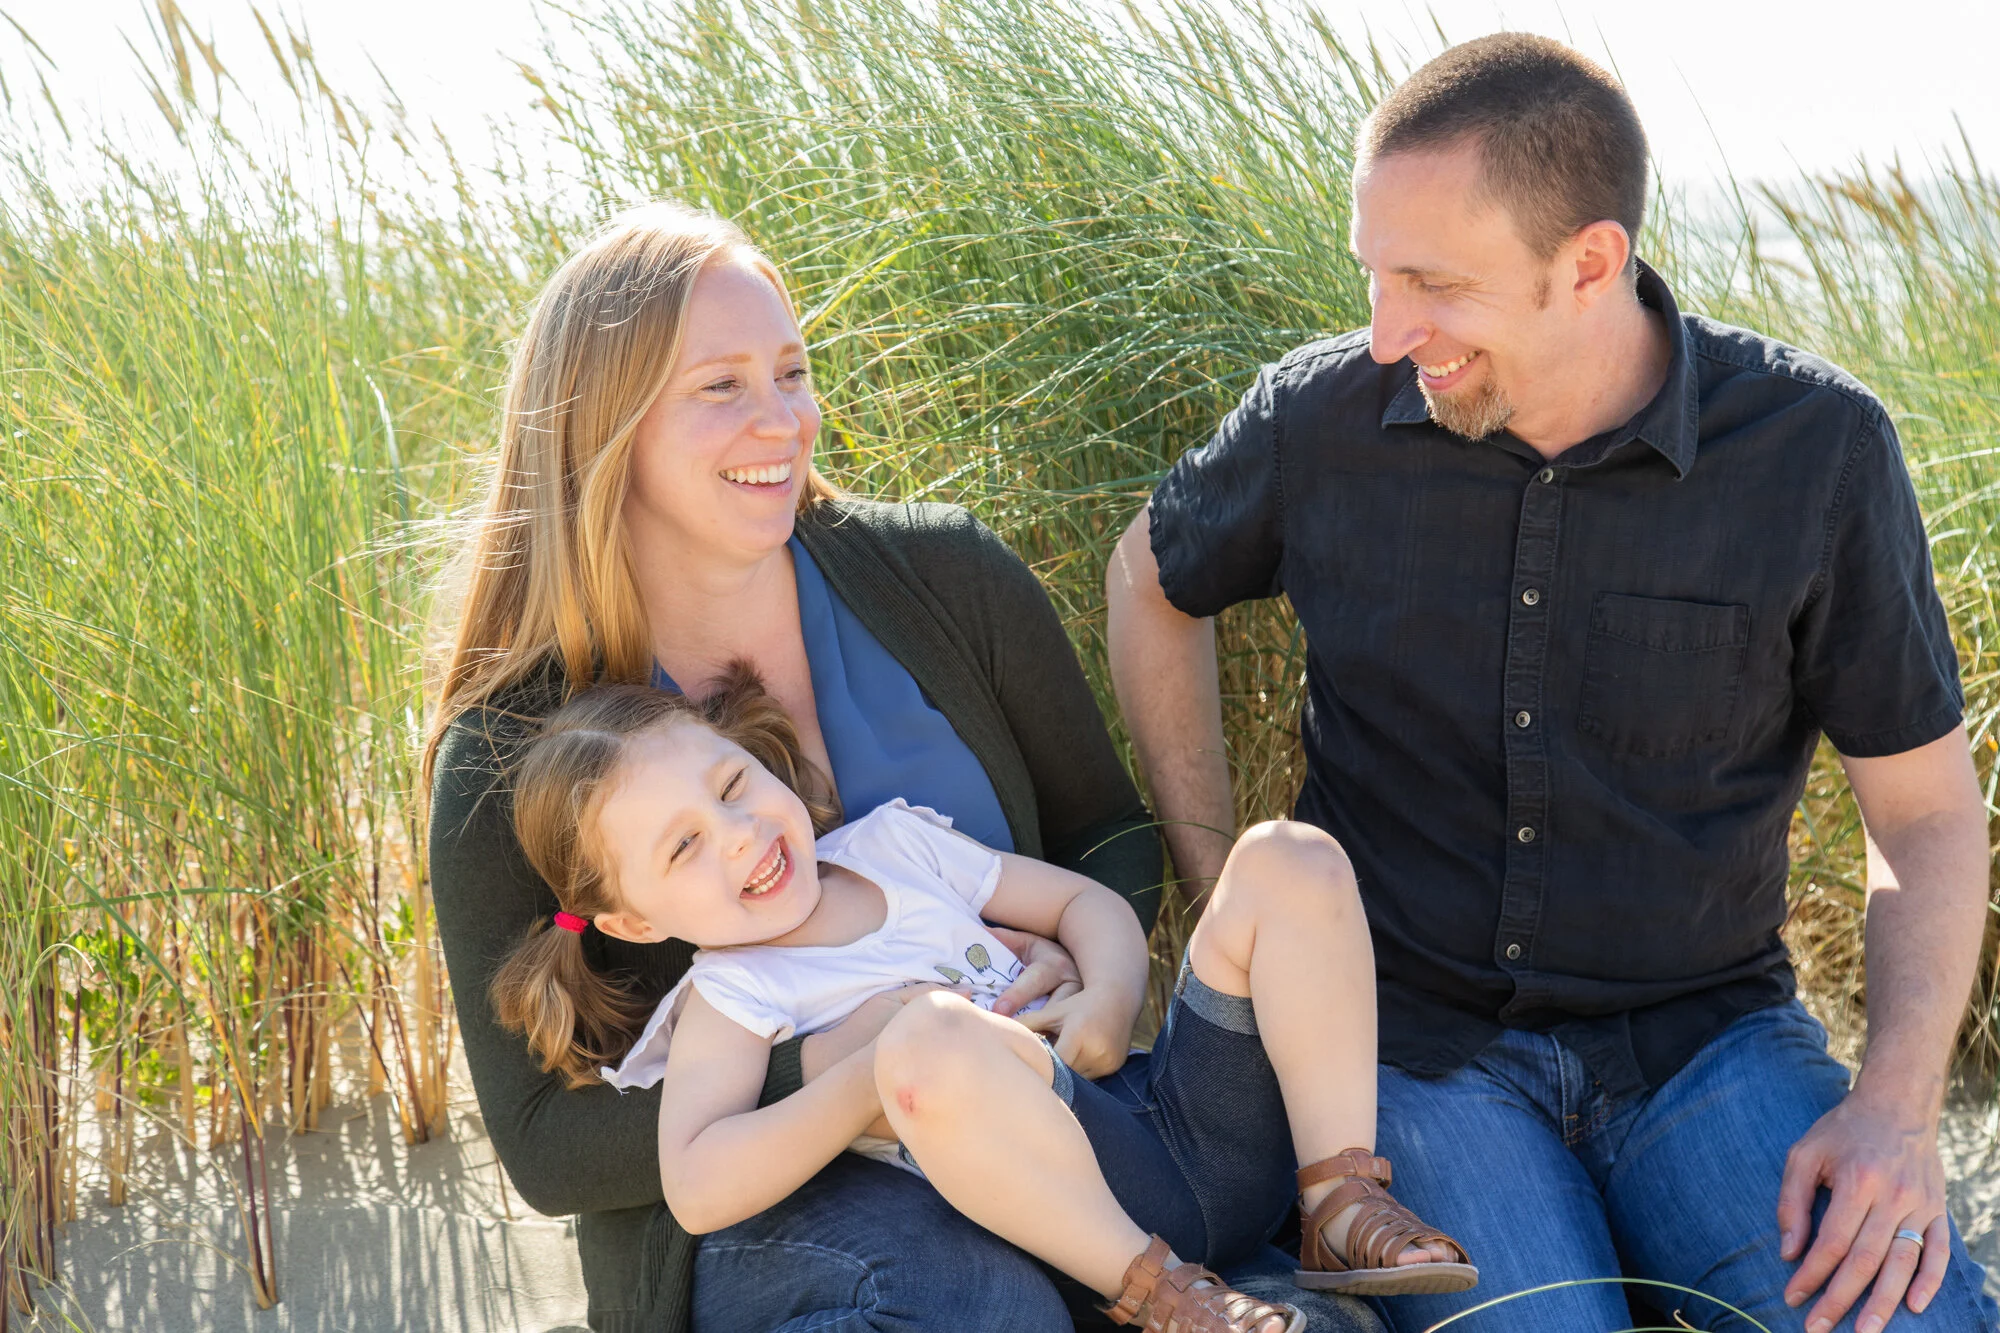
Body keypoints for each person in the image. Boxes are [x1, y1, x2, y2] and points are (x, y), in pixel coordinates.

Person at [1104, 32, 1999, 1333]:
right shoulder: (1320, 421)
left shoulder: (1816, 454)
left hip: (1706, 1042)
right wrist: (1235, 920)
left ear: (1589, 262)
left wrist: (1898, 1109)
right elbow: (1148, 583)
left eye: (1432, 283)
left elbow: (1920, 815)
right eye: (1373, 272)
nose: (1386, 331)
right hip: (1411, 1052)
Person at [425, 200, 1381, 1332]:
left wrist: (1069, 964)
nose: (782, 419)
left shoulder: (945, 574)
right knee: (988, 1306)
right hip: (781, 1204)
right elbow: (545, 1146)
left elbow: (1106, 830)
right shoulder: (512, 752)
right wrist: (864, 1052)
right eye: (721, 386)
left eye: (791, 372)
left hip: (1044, 1102)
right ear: (602, 432)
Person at [486, 674, 1474, 1332]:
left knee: (1287, 856)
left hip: (1170, 1121)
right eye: (684, 846)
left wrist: (1106, 996)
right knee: (928, 1043)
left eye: (731, 785)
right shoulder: (732, 993)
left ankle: (1338, 1197)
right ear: (631, 921)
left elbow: (1081, 903)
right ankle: (1165, 1300)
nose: (739, 833)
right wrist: (871, 1069)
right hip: (1079, 1227)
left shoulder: (891, 846)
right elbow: (698, 1183)